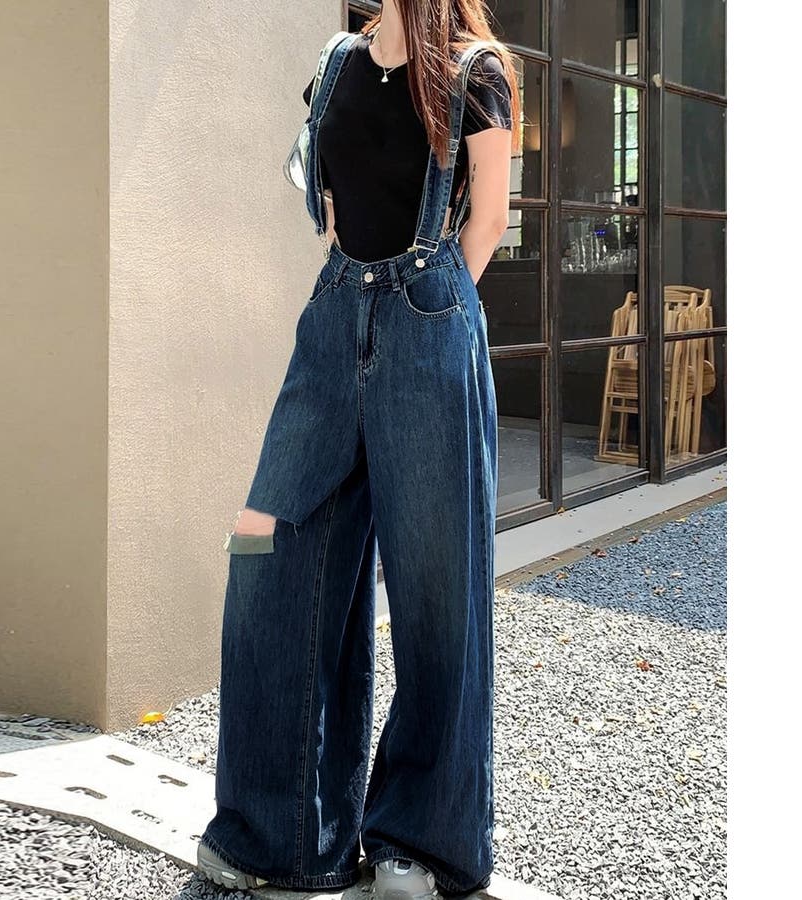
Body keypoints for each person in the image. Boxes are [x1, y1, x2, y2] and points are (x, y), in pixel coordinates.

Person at [197, 2, 519, 898]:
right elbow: (333, 206)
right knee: (263, 553)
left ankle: (420, 839)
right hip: (333, 321)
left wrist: (424, 309)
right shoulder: (337, 63)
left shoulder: (477, 72)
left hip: (428, 321)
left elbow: (489, 220)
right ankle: (282, 835)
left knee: (437, 594)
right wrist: (360, 291)